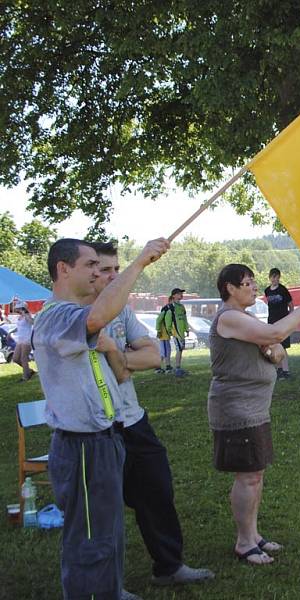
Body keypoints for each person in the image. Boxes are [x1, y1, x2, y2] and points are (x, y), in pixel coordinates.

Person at [33, 237, 168, 600]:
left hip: (106, 438)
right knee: (90, 539)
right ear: (63, 269)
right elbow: (97, 317)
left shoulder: (77, 316)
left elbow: (122, 369)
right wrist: (140, 262)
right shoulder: (56, 317)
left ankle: (110, 590)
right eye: (90, 265)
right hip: (81, 446)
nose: (99, 272)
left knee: (108, 531)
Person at [90, 242, 214, 589]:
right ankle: (104, 585)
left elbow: (152, 359)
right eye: (105, 270)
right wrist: (122, 359)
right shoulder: (80, 314)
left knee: (157, 489)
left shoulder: (123, 313)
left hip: (133, 420)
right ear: (88, 273)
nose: (114, 276)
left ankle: (169, 566)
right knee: (103, 508)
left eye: (117, 269)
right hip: (97, 428)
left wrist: (115, 354)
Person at [207, 264, 300, 565]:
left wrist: (272, 352)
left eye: (253, 282)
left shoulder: (244, 318)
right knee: (247, 476)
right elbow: (275, 332)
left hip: (255, 408)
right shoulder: (230, 317)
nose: (253, 287)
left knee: (255, 473)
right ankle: (244, 542)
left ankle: (253, 534)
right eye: (246, 283)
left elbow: (278, 350)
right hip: (237, 408)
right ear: (230, 288)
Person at [264, 268, 293, 379]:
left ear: (279, 277)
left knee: (283, 346)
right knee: (273, 346)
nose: (274, 279)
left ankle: (286, 371)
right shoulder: (267, 291)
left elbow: (291, 304)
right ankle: (278, 369)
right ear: (270, 277)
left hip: (283, 321)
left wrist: (290, 318)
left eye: (276, 277)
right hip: (272, 321)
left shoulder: (283, 290)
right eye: (272, 277)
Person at [155, 287, 189, 376]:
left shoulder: (181, 307)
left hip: (180, 333)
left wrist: (187, 329)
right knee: (169, 350)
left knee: (177, 349)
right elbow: (163, 320)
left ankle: (170, 366)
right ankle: (174, 368)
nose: (181, 295)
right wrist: (163, 330)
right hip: (172, 333)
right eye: (178, 293)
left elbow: (184, 319)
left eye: (181, 293)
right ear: (173, 296)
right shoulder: (169, 307)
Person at [11, 299, 35, 381]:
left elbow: (32, 322)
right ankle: (29, 371)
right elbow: (19, 327)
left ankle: (25, 377)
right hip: (20, 340)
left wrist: (26, 315)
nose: (16, 309)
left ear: (22, 308)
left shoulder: (27, 315)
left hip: (27, 339)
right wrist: (10, 332)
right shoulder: (19, 317)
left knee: (23, 358)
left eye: (18, 308)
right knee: (15, 359)